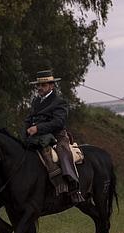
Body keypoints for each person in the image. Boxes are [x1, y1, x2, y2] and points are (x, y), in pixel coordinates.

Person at [25, 69, 84, 204]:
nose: (40, 88)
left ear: (52, 85)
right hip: (37, 137)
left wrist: (38, 128)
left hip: (57, 136)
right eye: (38, 85)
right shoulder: (35, 101)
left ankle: (73, 187)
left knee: (63, 153)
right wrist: (26, 131)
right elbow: (28, 119)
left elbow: (59, 122)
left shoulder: (59, 101)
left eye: (43, 85)